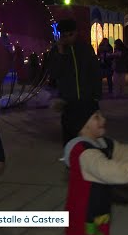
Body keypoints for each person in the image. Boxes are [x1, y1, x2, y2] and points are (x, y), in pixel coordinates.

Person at [61, 99, 128, 235]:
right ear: (82, 126)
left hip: (99, 210)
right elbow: (113, 172)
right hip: (83, 216)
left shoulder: (103, 143)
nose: (103, 119)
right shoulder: (84, 153)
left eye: (101, 115)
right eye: (96, 117)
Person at [44, 18, 102, 146]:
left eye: (69, 34)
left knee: (90, 136)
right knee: (70, 138)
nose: (66, 38)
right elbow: (54, 73)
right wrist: (60, 52)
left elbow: (95, 72)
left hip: (87, 100)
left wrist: (97, 95)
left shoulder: (85, 48)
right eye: (63, 35)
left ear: (76, 32)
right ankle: (72, 161)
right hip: (68, 101)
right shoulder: (57, 51)